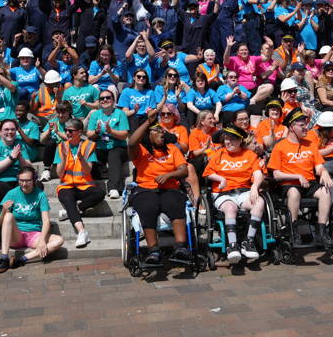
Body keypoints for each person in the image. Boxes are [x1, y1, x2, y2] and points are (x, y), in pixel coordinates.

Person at [126, 111, 192, 265]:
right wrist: (148, 123)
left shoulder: (172, 149)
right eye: (157, 130)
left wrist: (169, 175)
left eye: (163, 130)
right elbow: (131, 143)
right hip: (145, 188)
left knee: (175, 203)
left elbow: (184, 170)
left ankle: (181, 248)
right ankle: (153, 251)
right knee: (148, 206)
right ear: (149, 134)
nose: (162, 132)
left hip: (170, 188)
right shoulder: (141, 151)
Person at [267, 108, 333, 247]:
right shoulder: (280, 146)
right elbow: (276, 174)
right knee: (294, 192)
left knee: (325, 191)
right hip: (288, 184)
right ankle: (293, 230)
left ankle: (321, 231)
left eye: (306, 124)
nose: (306, 128)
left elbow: (319, 167)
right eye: (302, 125)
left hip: (309, 183)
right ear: (292, 127)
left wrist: (324, 172)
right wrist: (297, 176)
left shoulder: (310, 145)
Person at [202, 125, 265, 263]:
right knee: (231, 208)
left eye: (232, 139)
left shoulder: (249, 155)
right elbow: (208, 173)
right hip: (223, 193)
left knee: (259, 202)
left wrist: (255, 186)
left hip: (244, 191)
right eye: (226, 139)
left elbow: (258, 174)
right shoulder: (218, 154)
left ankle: (248, 242)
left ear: (240, 141)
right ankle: (232, 245)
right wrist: (221, 178)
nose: (228, 142)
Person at [0, 167, 64, 272]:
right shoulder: (12, 193)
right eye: (21, 180)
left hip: (34, 234)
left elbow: (46, 221)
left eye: (27, 181)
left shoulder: (40, 195)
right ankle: (4, 258)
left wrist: (42, 240)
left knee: (59, 240)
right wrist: (4, 210)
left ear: (34, 180)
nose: (23, 184)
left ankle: (22, 259)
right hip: (16, 235)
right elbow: (0, 222)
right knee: (8, 216)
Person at [55, 118, 105, 248]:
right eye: (66, 130)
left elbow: (88, 169)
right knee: (67, 198)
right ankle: (82, 232)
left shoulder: (88, 145)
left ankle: (72, 211)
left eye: (70, 131)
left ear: (79, 132)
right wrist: (65, 158)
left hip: (84, 185)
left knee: (100, 193)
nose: (67, 133)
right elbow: (59, 174)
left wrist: (81, 158)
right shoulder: (61, 147)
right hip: (66, 185)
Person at [86, 89, 130, 199]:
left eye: (108, 97)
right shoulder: (95, 114)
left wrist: (111, 132)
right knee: (88, 152)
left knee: (113, 155)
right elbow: (89, 134)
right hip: (101, 147)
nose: (105, 100)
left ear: (113, 100)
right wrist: (96, 131)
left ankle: (113, 188)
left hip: (118, 146)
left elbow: (124, 134)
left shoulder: (120, 114)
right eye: (102, 98)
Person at [0, 118, 35, 201]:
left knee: (36, 185)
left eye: (12, 129)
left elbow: (29, 168)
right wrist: (11, 158)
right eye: (6, 129)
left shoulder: (19, 144)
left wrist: (20, 158)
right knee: (3, 188)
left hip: (18, 180)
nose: (10, 132)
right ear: (0, 132)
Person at [38, 101, 73, 182]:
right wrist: (49, 131)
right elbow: (42, 140)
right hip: (54, 150)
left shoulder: (73, 122)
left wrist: (57, 132)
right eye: (58, 112)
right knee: (50, 142)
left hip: (68, 150)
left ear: (69, 112)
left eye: (63, 112)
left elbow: (71, 139)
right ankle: (46, 170)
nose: (60, 115)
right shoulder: (53, 121)